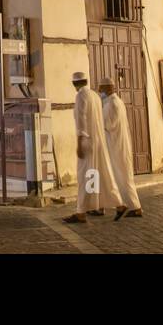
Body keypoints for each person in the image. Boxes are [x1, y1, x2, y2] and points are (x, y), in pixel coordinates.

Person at [64, 71, 120, 223]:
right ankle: (117, 204)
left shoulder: (81, 96)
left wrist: (79, 143)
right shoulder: (95, 95)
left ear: (74, 84)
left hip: (87, 142)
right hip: (98, 141)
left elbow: (81, 119)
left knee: (85, 177)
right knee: (98, 175)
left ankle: (81, 212)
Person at [99, 80, 142, 218]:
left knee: (123, 178)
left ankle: (135, 207)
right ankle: (111, 206)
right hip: (116, 146)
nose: (99, 92)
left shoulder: (112, 104)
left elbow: (107, 124)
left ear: (107, 89)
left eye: (100, 89)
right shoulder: (115, 102)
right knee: (113, 177)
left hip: (116, 147)